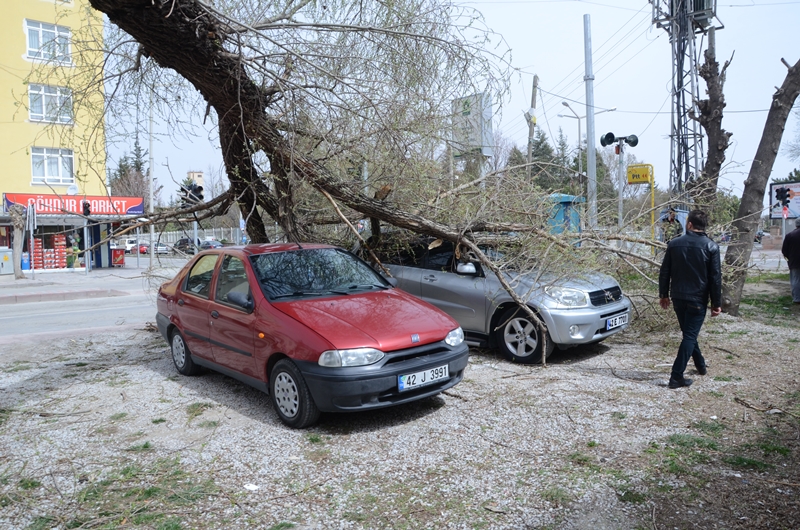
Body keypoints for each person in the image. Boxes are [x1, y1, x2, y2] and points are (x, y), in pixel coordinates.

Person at [659, 209, 722, 389]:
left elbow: (665, 272)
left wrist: (663, 294)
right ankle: (676, 376)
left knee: (689, 334)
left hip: (678, 297)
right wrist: (716, 303)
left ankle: (700, 366)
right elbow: (715, 278)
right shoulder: (712, 247)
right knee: (689, 336)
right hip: (697, 299)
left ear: (689, 224)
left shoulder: (674, 244)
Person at [782, 218, 800, 304]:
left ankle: (797, 298)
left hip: (794, 261)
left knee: (796, 280)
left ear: (796, 225)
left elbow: (784, 250)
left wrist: (789, 258)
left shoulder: (790, 235)